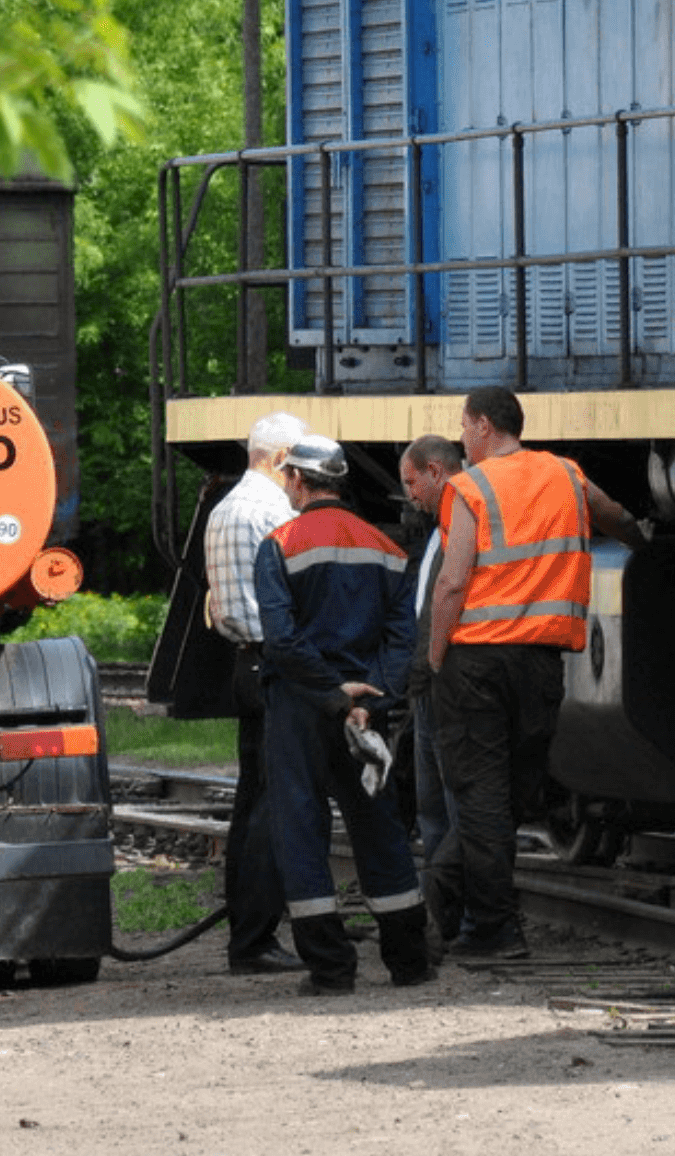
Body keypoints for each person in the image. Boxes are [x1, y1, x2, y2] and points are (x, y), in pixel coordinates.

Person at [426, 386, 644, 959]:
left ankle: (489, 927)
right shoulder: (566, 475)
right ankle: (446, 912)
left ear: (480, 426)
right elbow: (618, 518)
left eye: (463, 427)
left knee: (482, 798)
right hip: (542, 664)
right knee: (510, 797)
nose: (461, 438)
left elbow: (451, 580)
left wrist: (434, 656)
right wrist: (651, 544)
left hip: (475, 660)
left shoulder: (468, 487)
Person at [251, 435, 432, 995]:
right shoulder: (389, 548)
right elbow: (404, 638)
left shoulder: (279, 546)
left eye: (288, 481)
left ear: (299, 481)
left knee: (300, 830)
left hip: (302, 707)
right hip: (365, 709)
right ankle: (409, 962)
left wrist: (331, 692)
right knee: (378, 827)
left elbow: (281, 640)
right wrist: (366, 699)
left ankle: (331, 972)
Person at [200, 411, 310, 975]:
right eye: (299, 462)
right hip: (274, 665)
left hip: (246, 663)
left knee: (252, 804)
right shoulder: (269, 512)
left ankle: (249, 931)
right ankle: (256, 938)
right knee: (273, 806)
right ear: (281, 458)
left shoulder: (225, 509)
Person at [397, 432, 466, 950]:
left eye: (411, 481)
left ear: (436, 471)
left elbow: (448, 595)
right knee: (432, 806)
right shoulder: (442, 527)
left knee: (452, 801)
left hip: (445, 683)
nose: (408, 494)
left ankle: (455, 918)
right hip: (430, 685)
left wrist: (432, 666)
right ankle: (445, 920)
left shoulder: (462, 521)